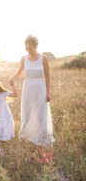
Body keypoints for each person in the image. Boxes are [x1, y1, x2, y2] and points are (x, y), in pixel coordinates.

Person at [10, 35, 55, 163]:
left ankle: (41, 142)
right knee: (27, 114)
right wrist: (13, 77)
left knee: (41, 116)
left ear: (35, 46)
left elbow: (47, 76)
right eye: (26, 48)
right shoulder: (24, 58)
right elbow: (20, 73)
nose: (28, 51)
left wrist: (48, 92)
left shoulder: (43, 58)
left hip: (41, 89)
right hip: (28, 89)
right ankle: (24, 139)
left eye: (30, 48)